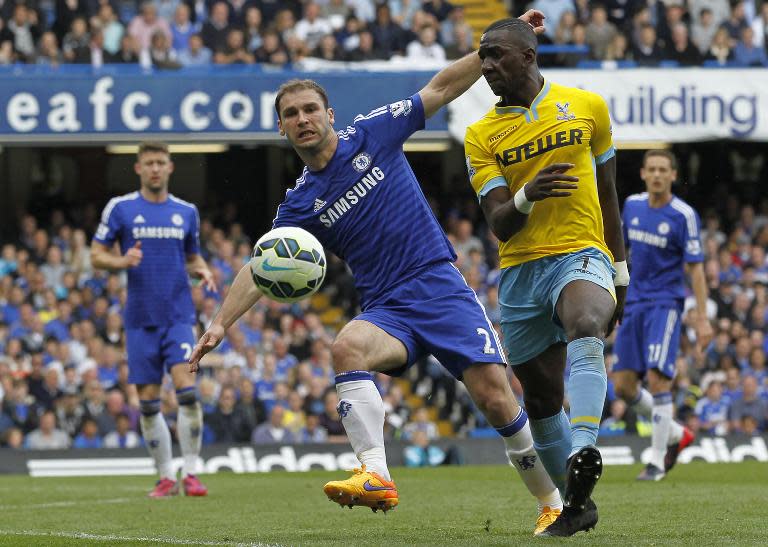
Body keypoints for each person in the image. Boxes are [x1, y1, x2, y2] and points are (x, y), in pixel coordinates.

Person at [189, 10, 564, 536]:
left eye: (310, 109)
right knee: (347, 347)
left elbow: (437, 88)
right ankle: (376, 474)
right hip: (387, 308)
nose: (302, 119)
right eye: (291, 113)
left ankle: (551, 501)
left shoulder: (373, 134)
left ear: (328, 113)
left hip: (438, 285)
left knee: (496, 398)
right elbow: (259, 266)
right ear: (281, 127)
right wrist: (219, 324)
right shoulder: (300, 204)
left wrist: (491, 50)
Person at [464, 18, 628, 536]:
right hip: (519, 273)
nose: (486, 66)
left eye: (496, 55)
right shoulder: (481, 135)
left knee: (585, 322)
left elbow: (609, 196)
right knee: (537, 398)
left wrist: (620, 274)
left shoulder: (587, 106)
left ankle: (584, 448)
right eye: (482, 57)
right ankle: (577, 504)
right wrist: (525, 194)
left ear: (528, 56)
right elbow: (498, 222)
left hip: (580, 252)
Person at [91, 141, 216, 498]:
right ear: (139, 169)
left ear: (170, 167)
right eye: (149, 163)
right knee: (147, 402)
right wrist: (121, 261)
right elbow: (96, 255)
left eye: (161, 162)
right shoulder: (122, 209)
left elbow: (192, 257)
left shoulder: (186, 212)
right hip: (139, 319)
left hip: (178, 316)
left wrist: (204, 270)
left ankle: (191, 472)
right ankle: (165, 476)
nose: (156, 169)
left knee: (187, 393)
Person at [611, 149, 713, 481]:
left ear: (672, 175)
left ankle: (655, 461)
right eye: (651, 169)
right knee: (624, 387)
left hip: (665, 304)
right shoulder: (632, 206)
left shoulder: (684, 215)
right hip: (634, 303)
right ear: (643, 173)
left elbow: (696, 271)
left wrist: (701, 317)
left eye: (663, 170)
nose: (656, 175)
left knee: (658, 377)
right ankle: (674, 433)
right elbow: (621, 251)